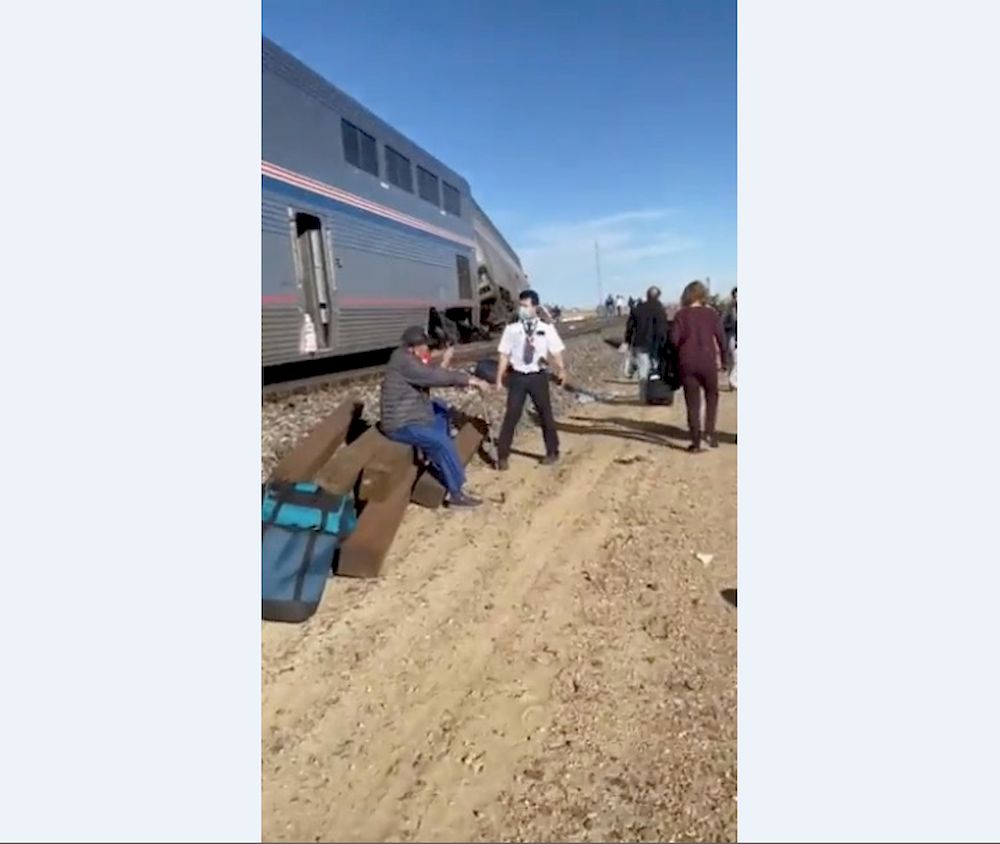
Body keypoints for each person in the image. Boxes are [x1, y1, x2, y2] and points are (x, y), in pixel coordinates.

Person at [380, 326, 490, 508]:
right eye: (424, 346)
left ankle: (437, 457)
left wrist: (448, 369)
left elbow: (429, 376)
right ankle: (456, 494)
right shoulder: (404, 362)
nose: (427, 350)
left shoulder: (406, 358)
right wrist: (472, 380)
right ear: (412, 347)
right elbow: (431, 375)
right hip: (400, 424)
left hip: (413, 415)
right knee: (441, 442)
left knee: (440, 408)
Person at [495, 289, 567, 470]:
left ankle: (552, 451)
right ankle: (502, 455)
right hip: (518, 377)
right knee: (512, 414)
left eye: (525, 306)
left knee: (545, 414)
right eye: (520, 306)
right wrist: (499, 378)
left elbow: (556, 350)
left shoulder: (546, 328)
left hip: (537, 376)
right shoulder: (512, 329)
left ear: (535, 307)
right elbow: (504, 354)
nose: (522, 309)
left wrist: (561, 369)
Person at [670, 280, 730, 452]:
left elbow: (674, 341)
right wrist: (724, 360)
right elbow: (721, 339)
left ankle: (695, 442)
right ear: (703, 295)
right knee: (712, 396)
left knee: (692, 402)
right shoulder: (711, 314)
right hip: (707, 361)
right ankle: (710, 432)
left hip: (687, 362)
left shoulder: (680, 315)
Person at [624, 286, 669, 402]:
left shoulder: (639, 308)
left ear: (647, 295)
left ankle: (643, 397)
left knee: (643, 371)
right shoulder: (660, 309)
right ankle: (657, 394)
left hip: (640, 343)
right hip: (656, 344)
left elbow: (630, 326)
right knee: (656, 370)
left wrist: (628, 341)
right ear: (658, 296)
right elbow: (663, 328)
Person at [723, 287, 737, 391]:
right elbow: (722, 322)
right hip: (732, 335)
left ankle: (734, 380)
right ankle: (732, 382)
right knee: (733, 360)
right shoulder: (729, 309)